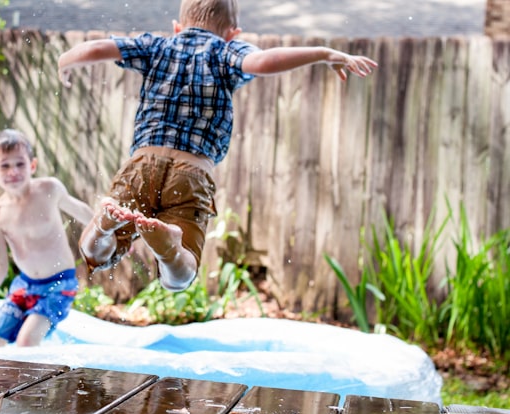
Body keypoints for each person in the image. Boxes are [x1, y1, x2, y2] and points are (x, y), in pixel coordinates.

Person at [57, 0, 378, 293]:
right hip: (193, 173)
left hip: (142, 164)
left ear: (177, 27)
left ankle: (102, 226)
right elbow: (265, 61)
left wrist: (65, 61)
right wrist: (324, 53)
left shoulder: (156, 46)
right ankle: (169, 250)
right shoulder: (226, 52)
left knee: (97, 255)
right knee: (180, 276)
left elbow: (99, 47)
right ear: (232, 33)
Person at [0, 129, 94, 347]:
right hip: (25, 285)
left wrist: (113, 234)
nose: (13, 171)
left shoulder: (49, 189)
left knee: (26, 341)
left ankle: (38, 380)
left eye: (20, 164)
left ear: (32, 165)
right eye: (5, 165)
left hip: (60, 283)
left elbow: (83, 212)